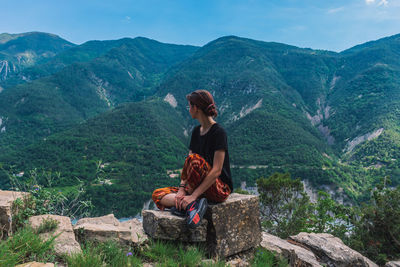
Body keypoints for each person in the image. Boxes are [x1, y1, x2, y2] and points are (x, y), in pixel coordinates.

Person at [152, 89, 233, 228]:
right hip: (197, 187)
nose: (189, 109)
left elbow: (217, 171)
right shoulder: (196, 131)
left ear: (196, 108)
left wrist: (194, 195)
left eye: (190, 106)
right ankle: (191, 206)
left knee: (194, 159)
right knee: (157, 194)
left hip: (220, 187)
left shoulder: (219, 132)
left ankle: (190, 203)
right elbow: (187, 168)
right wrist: (182, 189)